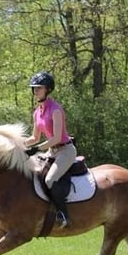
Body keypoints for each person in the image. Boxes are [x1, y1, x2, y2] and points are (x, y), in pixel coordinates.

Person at [24, 71, 77, 226]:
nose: (36, 91)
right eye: (34, 88)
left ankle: (63, 215)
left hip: (65, 151)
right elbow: (34, 138)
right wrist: (18, 144)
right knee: (34, 174)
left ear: (48, 89)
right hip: (51, 151)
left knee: (50, 179)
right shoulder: (37, 112)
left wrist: (36, 149)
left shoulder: (55, 110)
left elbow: (57, 138)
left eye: (39, 88)